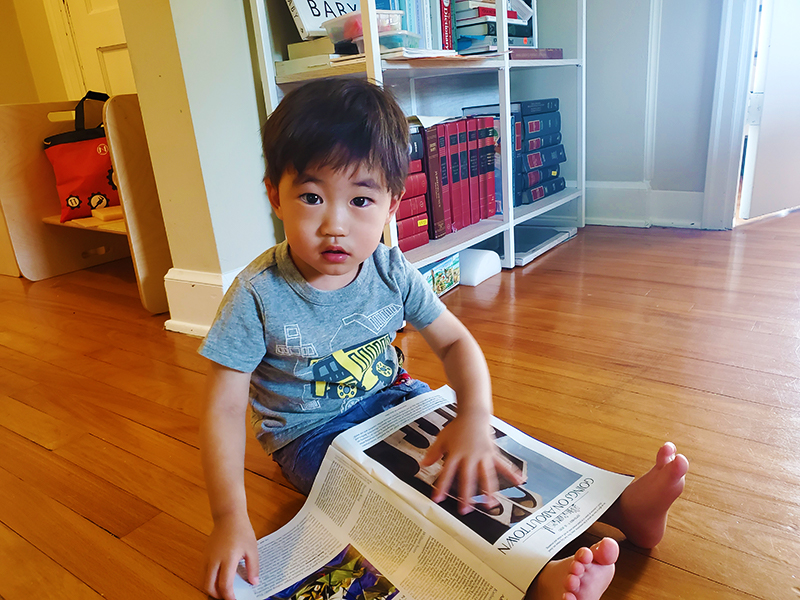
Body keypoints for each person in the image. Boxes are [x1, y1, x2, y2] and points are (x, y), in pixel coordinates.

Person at [198, 78, 689, 600]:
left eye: (361, 198)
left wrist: (475, 417)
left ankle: (621, 507)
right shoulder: (258, 294)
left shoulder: (391, 270)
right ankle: (533, 579)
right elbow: (223, 409)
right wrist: (230, 517)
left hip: (397, 398)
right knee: (406, 497)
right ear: (275, 195)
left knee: (487, 447)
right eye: (313, 196)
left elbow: (455, 345)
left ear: (391, 204)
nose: (335, 225)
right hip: (312, 437)